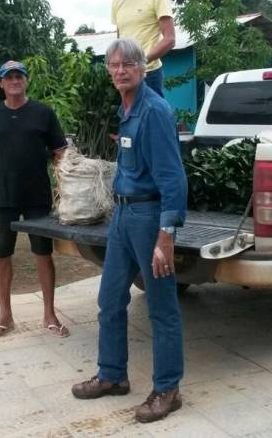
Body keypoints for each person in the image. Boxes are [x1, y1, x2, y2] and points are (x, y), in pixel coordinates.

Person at [71, 39, 188, 424]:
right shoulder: (126, 109)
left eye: (128, 64)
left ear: (142, 68)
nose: (120, 70)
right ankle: (112, 375)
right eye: (114, 65)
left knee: (161, 307)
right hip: (122, 217)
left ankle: (168, 389)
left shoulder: (154, 111)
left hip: (148, 217)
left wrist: (165, 236)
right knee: (110, 299)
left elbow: (173, 179)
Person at [0, 60, 70, 339]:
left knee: (43, 254)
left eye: (20, 76)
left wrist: (64, 190)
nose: (15, 81)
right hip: (3, 197)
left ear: (26, 81)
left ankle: (50, 315)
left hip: (37, 198)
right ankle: (5, 316)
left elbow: (61, 154)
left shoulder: (43, 113)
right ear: (1, 83)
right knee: (1, 255)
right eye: (10, 77)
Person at [110, 0, 176, 97]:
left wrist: (141, 62)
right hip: (125, 76)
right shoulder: (117, 0)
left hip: (149, 74)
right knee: (130, 120)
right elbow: (120, 41)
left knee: (152, 119)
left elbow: (170, 39)